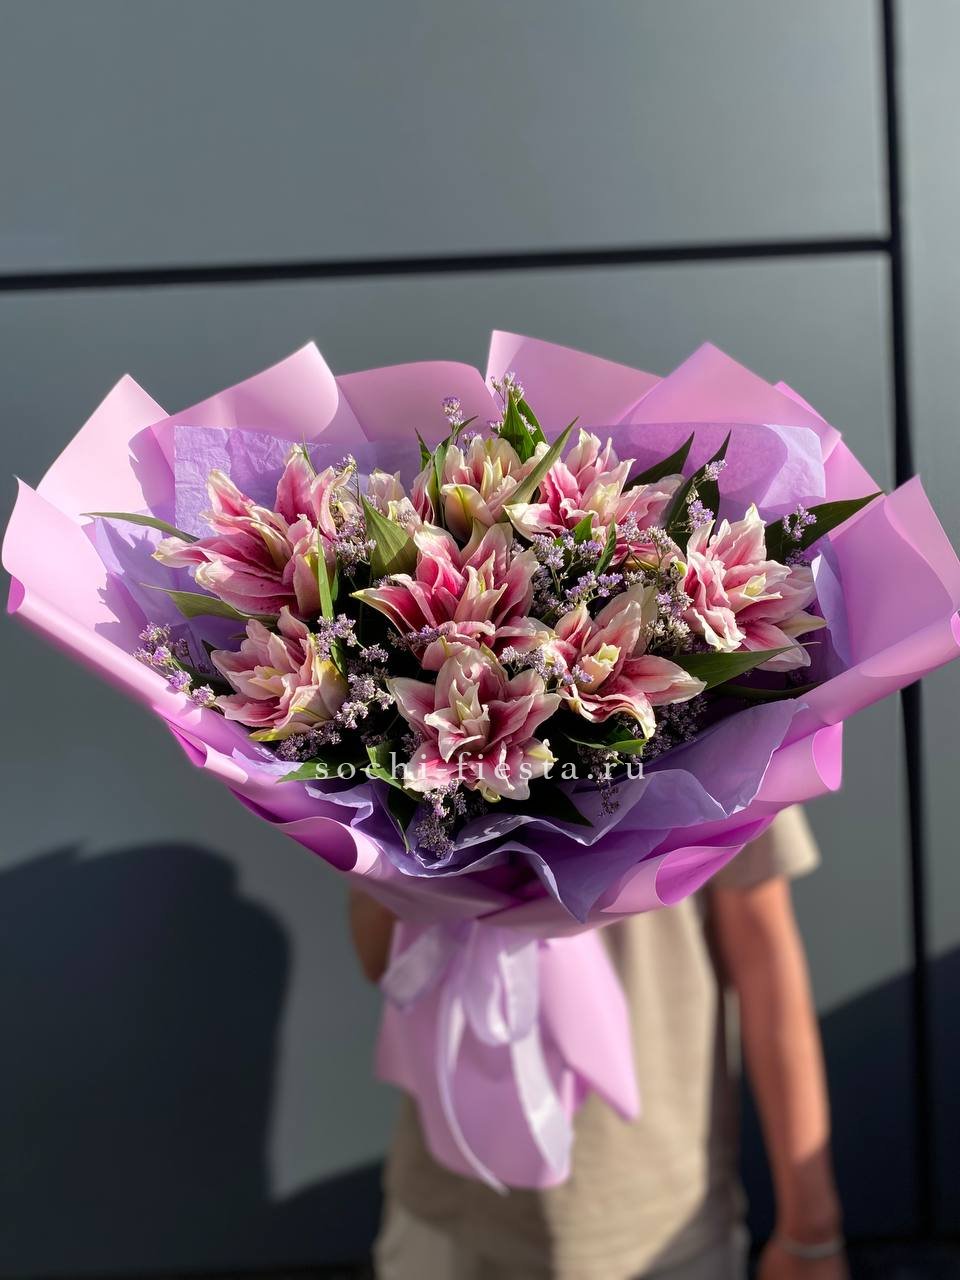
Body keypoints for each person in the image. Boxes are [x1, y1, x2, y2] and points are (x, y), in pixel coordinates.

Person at [350, 806, 848, 1280]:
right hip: (448, 1208)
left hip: (655, 1219)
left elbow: (764, 956)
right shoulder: (391, 753)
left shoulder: (729, 743)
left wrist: (812, 1229)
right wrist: (423, 841)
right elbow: (382, 962)